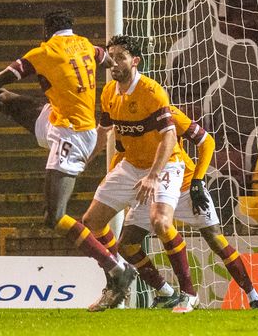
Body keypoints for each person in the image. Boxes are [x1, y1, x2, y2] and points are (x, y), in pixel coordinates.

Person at [0, 10, 138, 307]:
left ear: (46, 31)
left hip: (70, 136)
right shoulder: (87, 45)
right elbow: (108, 60)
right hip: (58, 120)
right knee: (3, 99)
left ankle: (117, 269)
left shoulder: (44, 51)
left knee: (54, 216)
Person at [79, 35, 197, 313]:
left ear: (135, 60)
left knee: (160, 222)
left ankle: (189, 294)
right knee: (91, 221)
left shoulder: (151, 91)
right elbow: (104, 131)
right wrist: (85, 158)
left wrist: (154, 176)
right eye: (111, 56)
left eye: (120, 56)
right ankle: (135, 282)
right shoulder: (109, 91)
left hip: (165, 164)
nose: (114, 62)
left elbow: (169, 137)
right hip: (131, 166)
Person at [113, 104, 258, 309]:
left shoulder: (169, 114)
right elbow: (122, 153)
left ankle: (254, 296)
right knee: (127, 244)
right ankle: (167, 292)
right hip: (151, 187)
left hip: (184, 186)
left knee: (216, 239)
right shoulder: (125, 121)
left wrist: (198, 181)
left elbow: (207, 142)